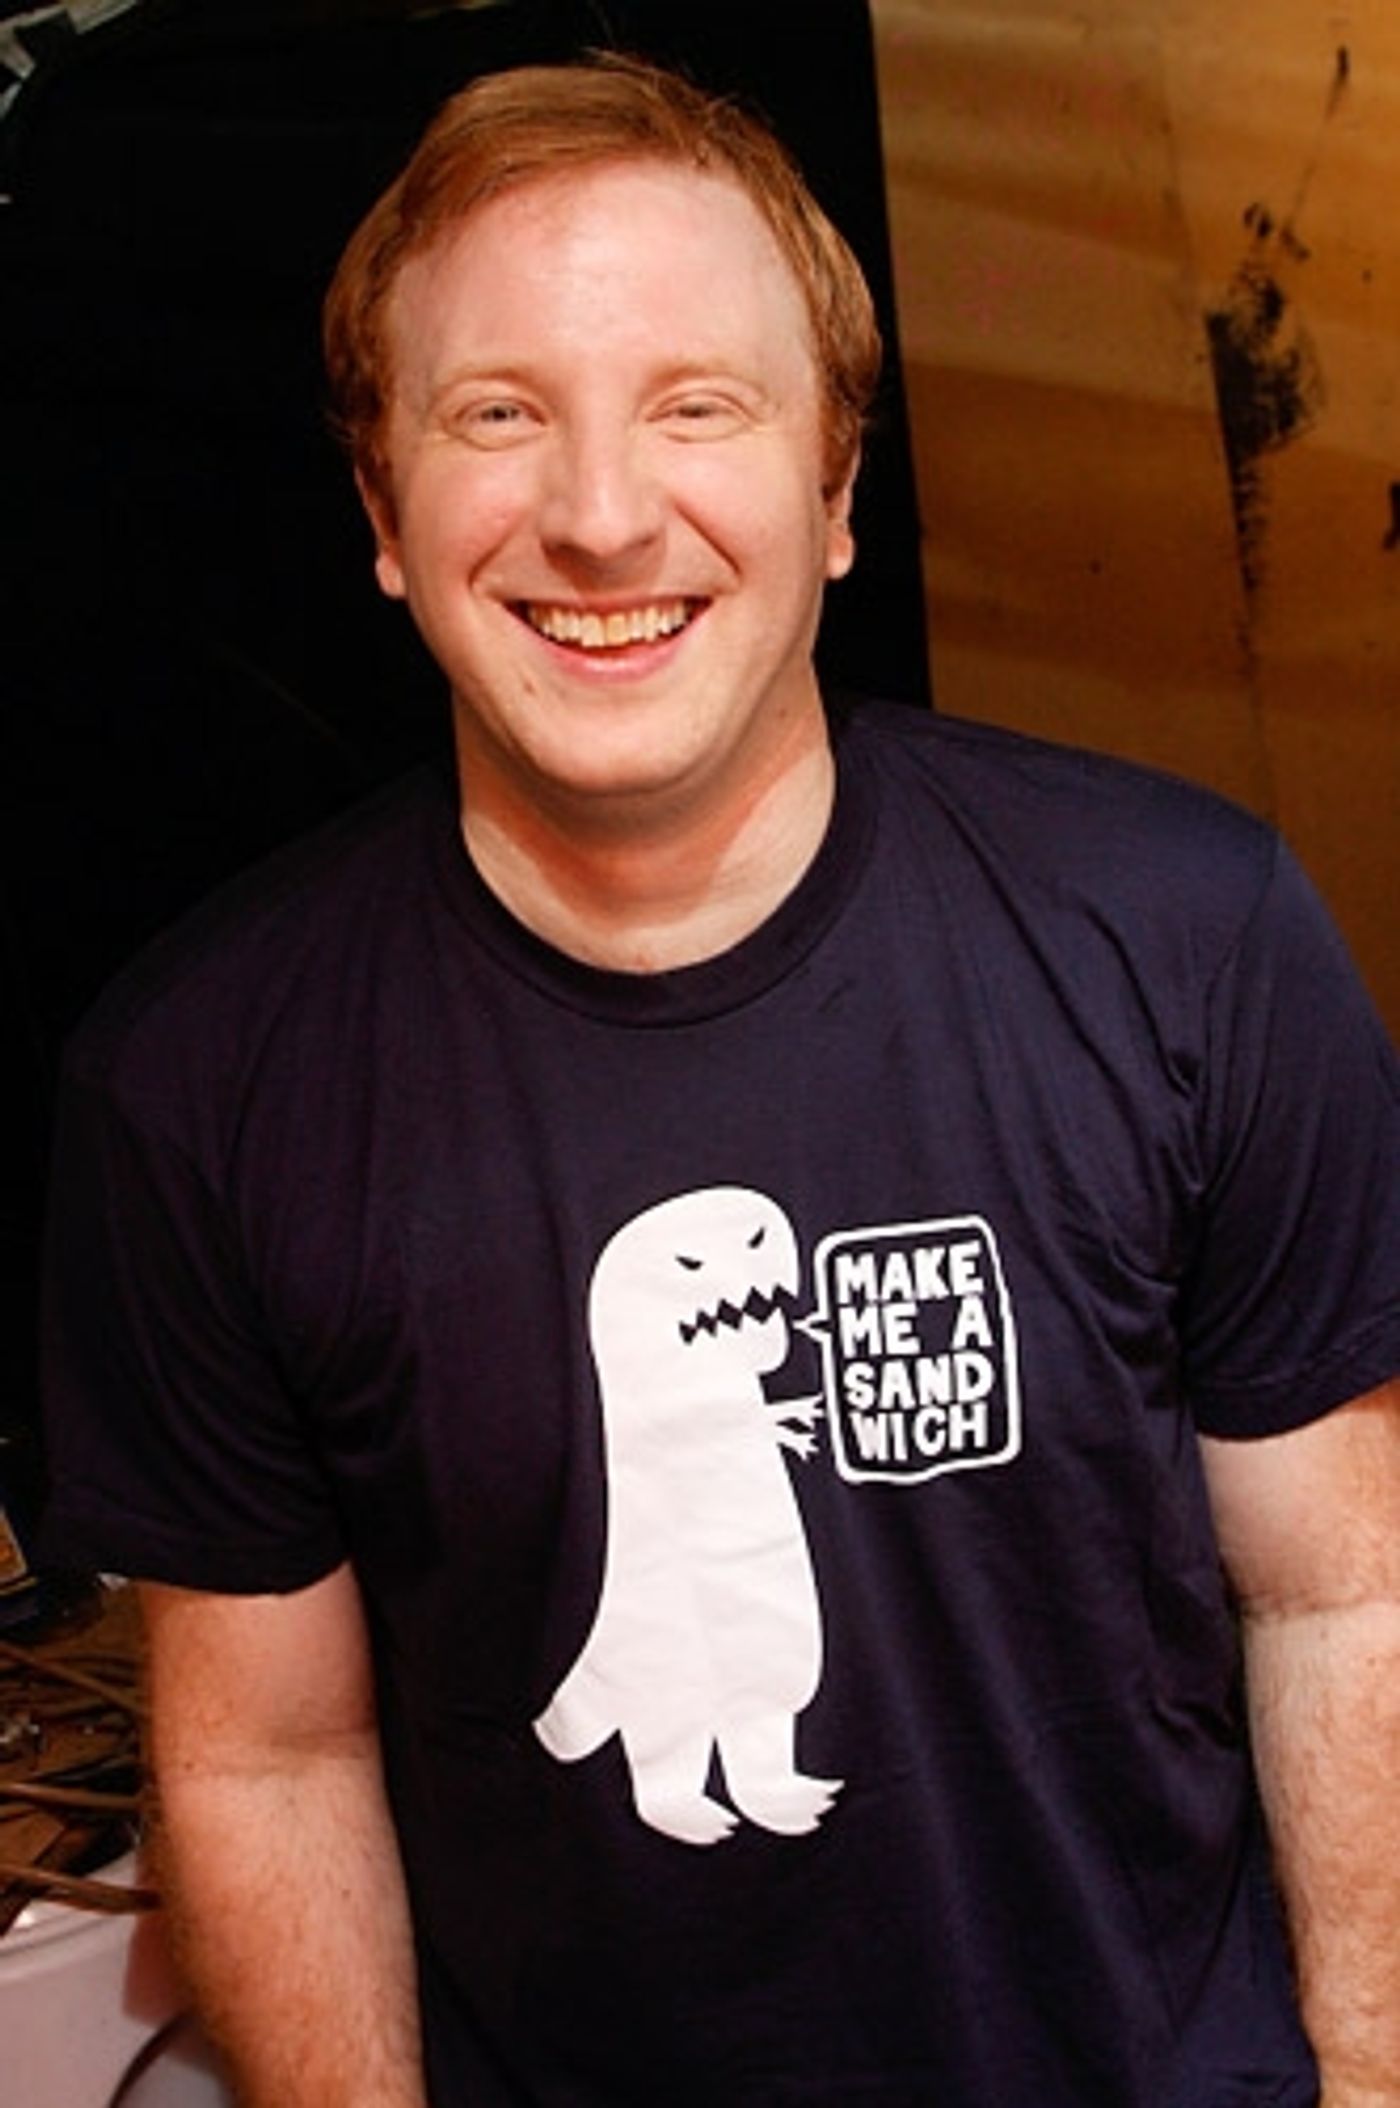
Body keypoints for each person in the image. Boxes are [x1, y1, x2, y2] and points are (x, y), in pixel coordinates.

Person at [39, 53, 1400, 2108]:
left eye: (698, 405)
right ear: (383, 512)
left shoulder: (1189, 936)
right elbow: (269, 1757)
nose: (601, 517)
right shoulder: (200, 1086)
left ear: (837, 491)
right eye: (498, 414)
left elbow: (1340, 1596)